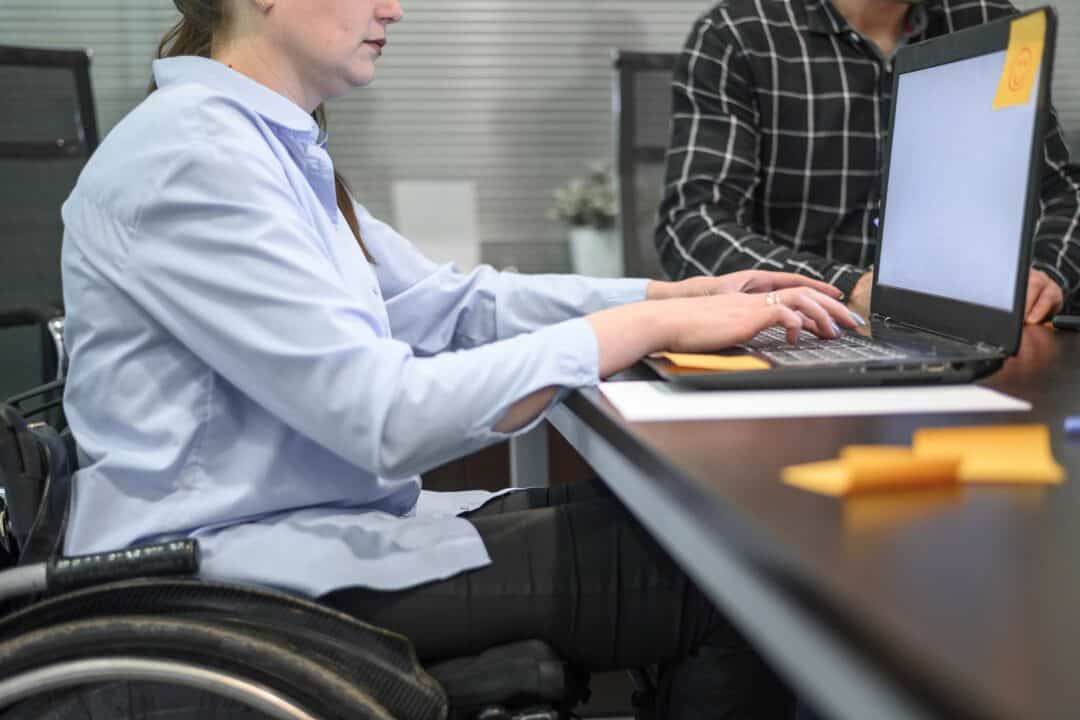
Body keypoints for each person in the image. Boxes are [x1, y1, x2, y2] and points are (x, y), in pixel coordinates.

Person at [59, 0, 859, 716]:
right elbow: (389, 419)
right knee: (746, 582)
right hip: (232, 592)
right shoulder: (195, 157)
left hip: (304, 539)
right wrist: (643, 334)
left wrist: (673, 299)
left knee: (706, 529)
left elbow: (453, 304)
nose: (394, 9)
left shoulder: (260, 145)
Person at [656, 0, 1080, 324]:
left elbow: (1062, 196)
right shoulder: (738, 35)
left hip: (967, 331)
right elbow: (693, 226)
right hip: (801, 332)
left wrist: (1047, 273)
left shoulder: (988, 20)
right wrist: (850, 288)